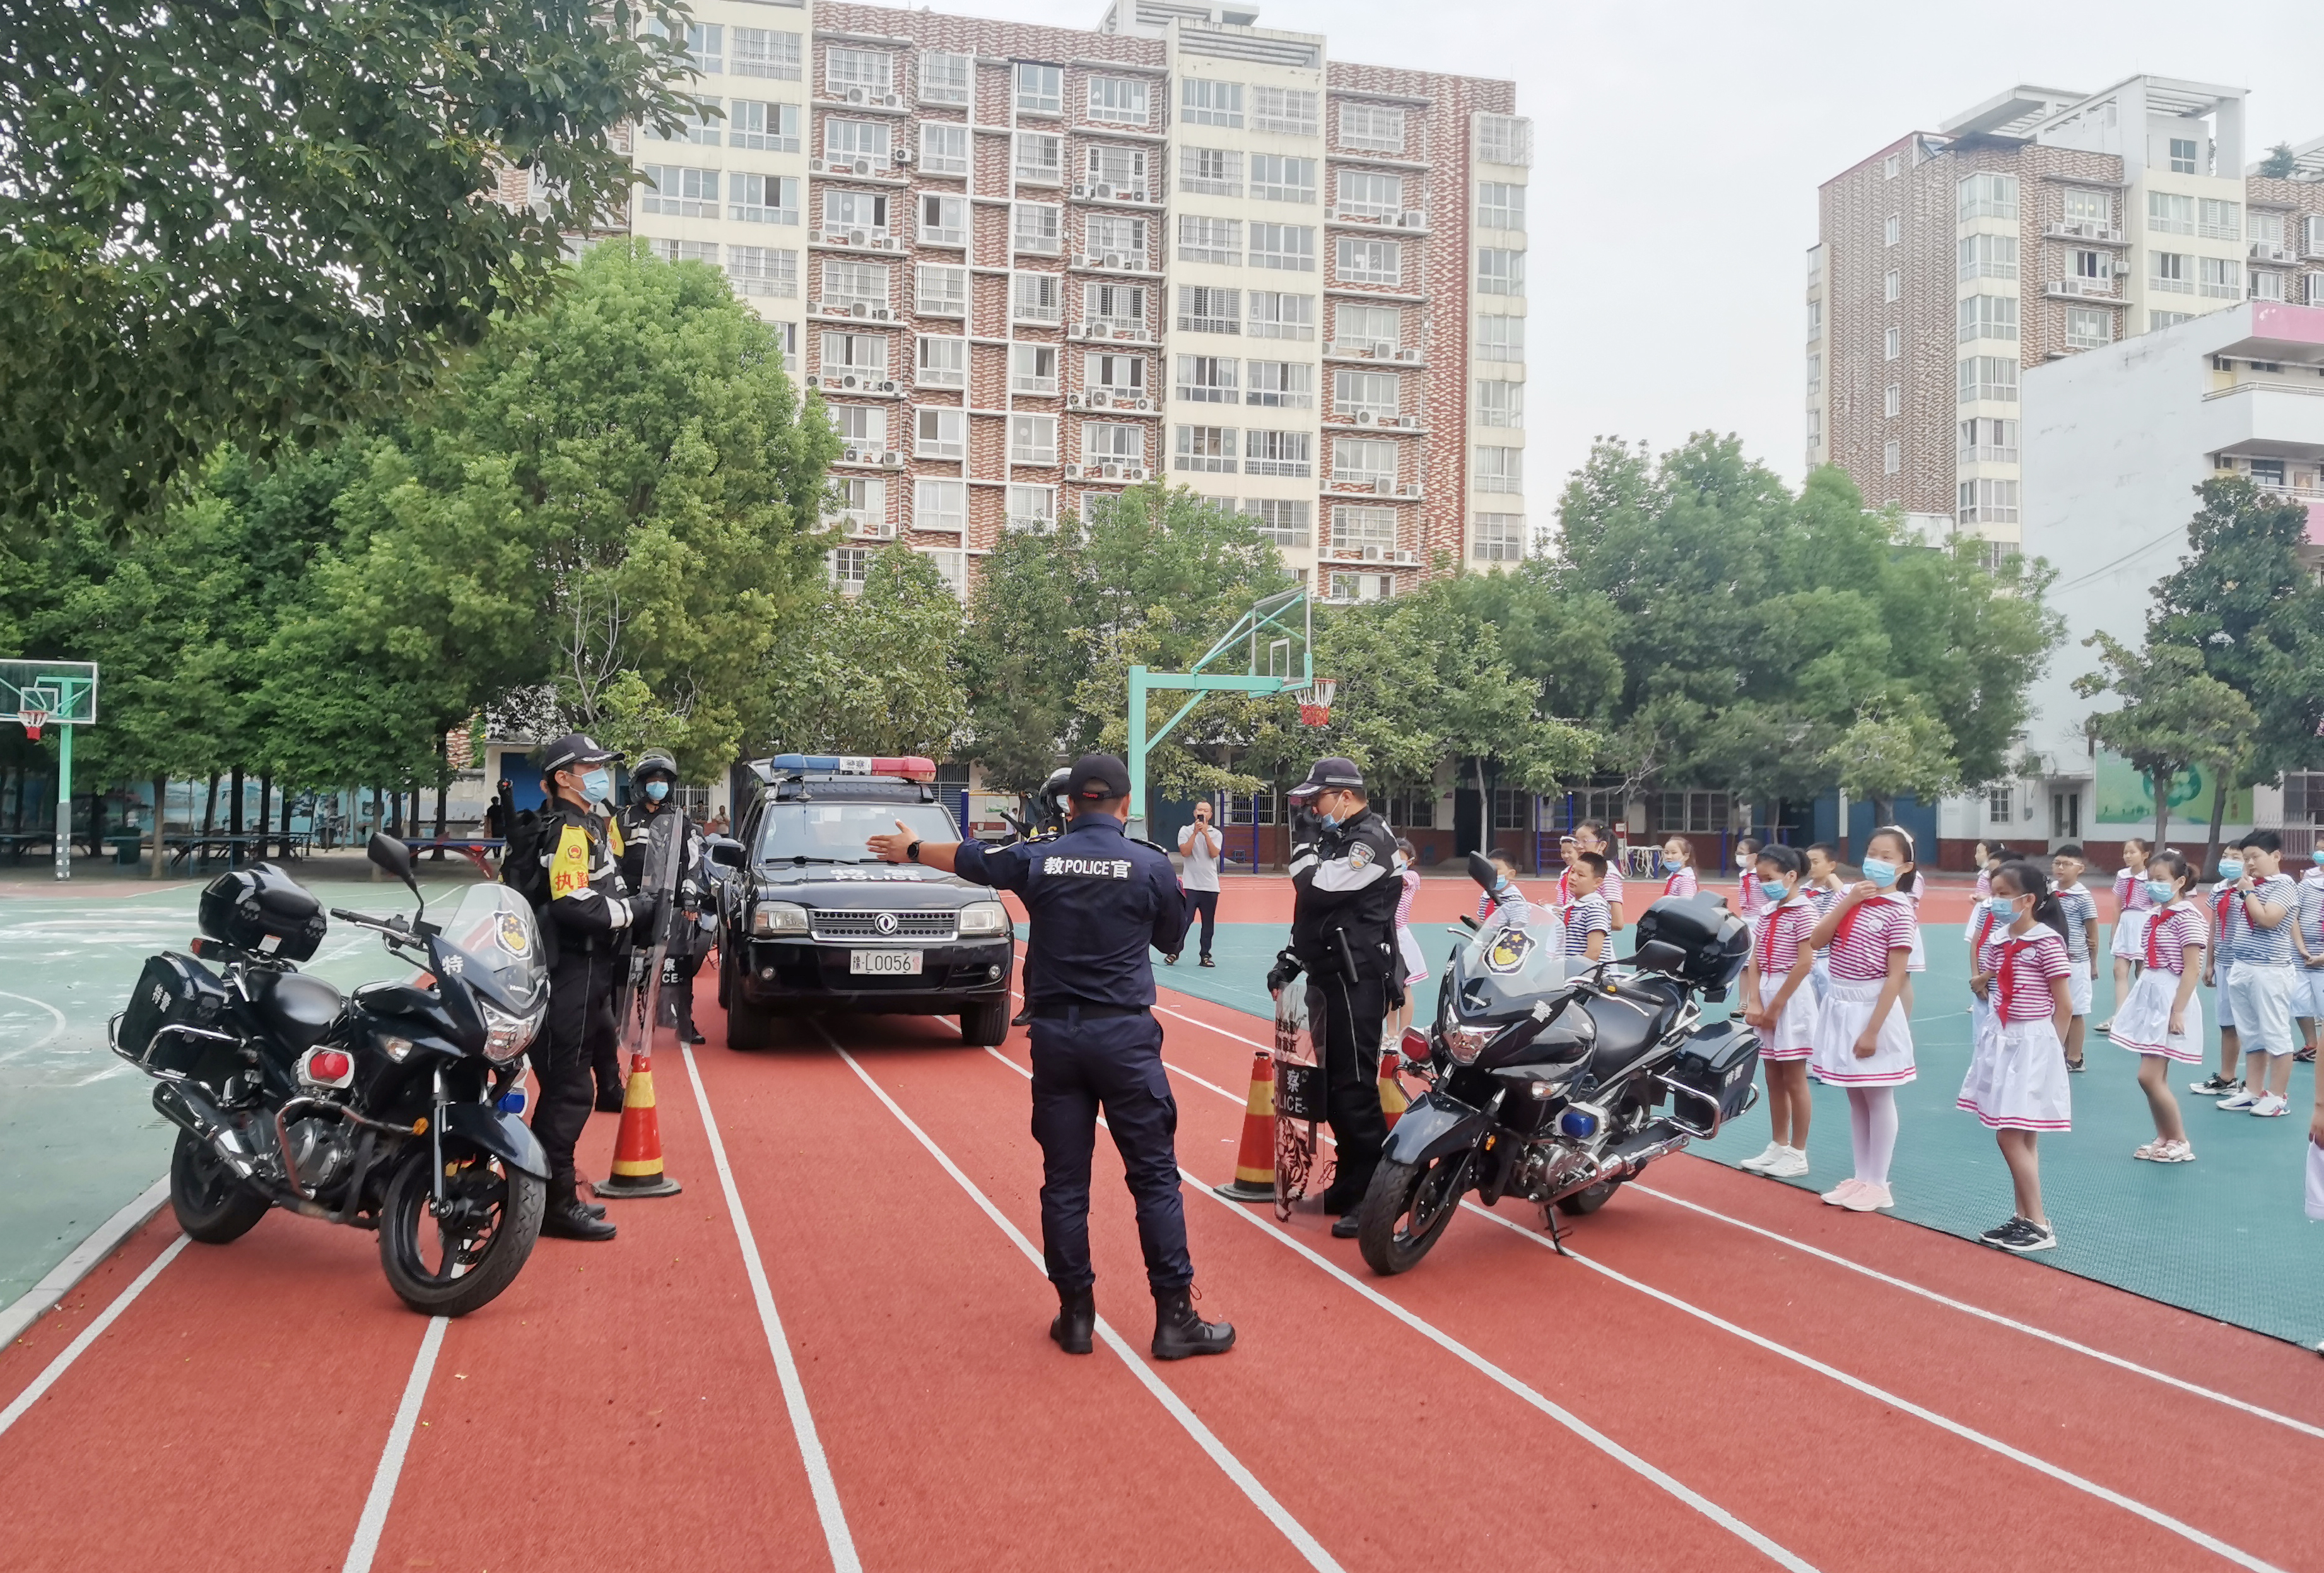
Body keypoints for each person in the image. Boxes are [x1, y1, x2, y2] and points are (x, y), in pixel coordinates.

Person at [864, 754, 1232, 1361]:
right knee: (1155, 1179)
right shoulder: (1148, 863)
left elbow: (972, 861)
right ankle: (1174, 1318)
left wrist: (910, 850)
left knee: (1065, 1183)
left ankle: (1076, 1315)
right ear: (1123, 803)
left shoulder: (1038, 857)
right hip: (1126, 1041)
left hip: (1058, 1040)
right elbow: (1171, 938)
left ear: (1069, 805)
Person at [1267, 757, 1403, 1240]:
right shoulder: (1340, 837)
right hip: (1330, 973)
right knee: (1335, 1084)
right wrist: (1292, 957)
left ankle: (1372, 1191)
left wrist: (1302, 842)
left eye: (1317, 799)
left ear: (1345, 795)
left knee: (1354, 1086)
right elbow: (1313, 912)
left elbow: (1319, 886)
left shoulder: (1370, 840)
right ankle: (1349, 1182)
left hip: (1357, 977)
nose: (1312, 808)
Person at [524, 733, 633, 1243]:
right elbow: (573, 904)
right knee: (568, 1089)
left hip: (588, 973)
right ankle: (550, 1203)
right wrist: (635, 912)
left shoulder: (591, 823)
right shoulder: (568, 829)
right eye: (588, 765)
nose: (599, 771)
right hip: (571, 969)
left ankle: (552, 1193)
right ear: (563, 778)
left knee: (576, 1081)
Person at [1957, 860, 2075, 1254]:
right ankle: (2024, 1216)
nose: (1995, 902)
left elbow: (2064, 1006)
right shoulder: (1998, 940)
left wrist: (2052, 1053)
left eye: (2003, 895)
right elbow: (1995, 987)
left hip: (2032, 1043)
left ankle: (2040, 1224)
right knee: (2022, 1135)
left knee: (2009, 1133)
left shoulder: (2047, 942)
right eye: (1993, 894)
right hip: (2002, 1038)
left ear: (2028, 900)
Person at [1805, 824, 1920, 1213]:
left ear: (1905, 867)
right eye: (1873, 853)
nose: (1877, 861)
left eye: (1888, 857)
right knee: (1856, 1095)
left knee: (1878, 1093)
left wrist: (1873, 1030)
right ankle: (1862, 1176)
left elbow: (1895, 976)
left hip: (1873, 1008)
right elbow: (1817, 941)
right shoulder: (1846, 895)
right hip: (1840, 1001)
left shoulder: (1901, 911)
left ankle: (1878, 1182)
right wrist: (1847, 901)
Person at [2111, 849, 2204, 1162]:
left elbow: (2192, 968)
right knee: (2155, 1077)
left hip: (2169, 995)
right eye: (2150, 880)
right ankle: (2164, 1136)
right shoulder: (2154, 915)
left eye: (2160, 880)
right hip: (2150, 993)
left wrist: (2177, 1010)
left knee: (2148, 1076)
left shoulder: (2189, 917)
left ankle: (2179, 1139)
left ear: (2179, 881)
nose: (2153, 885)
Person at [617, 750, 711, 1046]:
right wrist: (620, 898)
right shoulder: (622, 820)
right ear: (640, 784)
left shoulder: (681, 821)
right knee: (620, 969)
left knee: (677, 968)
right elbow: (611, 863)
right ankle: (615, 1023)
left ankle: (684, 1023)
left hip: (669, 905)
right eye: (652, 780)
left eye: (664, 781)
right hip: (631, 905)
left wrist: (689, 896)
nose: (659, 786)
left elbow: (693, 862)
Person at [1740, 844, 1817, 1179]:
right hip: (1767, 989)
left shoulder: (1805, 912)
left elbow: (1804, 963)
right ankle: (1778, 1144)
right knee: (1772, 1076)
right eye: (1759, 878)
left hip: (1791, 997)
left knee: (1794, 1079)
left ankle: (1798, 1153)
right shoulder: (1769, 910)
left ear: (1791, 876)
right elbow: (1755, 960)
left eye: (1768, 878)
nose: (1762, 884)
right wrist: (1754, 1000)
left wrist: (1775, 1006)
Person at [2214, 831, 2301, 1116]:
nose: (2249, 863)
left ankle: (2277, 1096)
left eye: (2255, 857)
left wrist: (2248, 891)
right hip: (2242, 966)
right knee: (2251, 1034)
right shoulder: (2248, 885)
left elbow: (2267, 919)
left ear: (2276, 856)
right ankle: (2253, 1091)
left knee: (2276, 1034)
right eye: (2246, 858)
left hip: (2270, 971)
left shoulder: (2284, 885)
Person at [2190, 857, 2245, 1100]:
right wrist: (2209, 963)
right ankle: (2227, 1077)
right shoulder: (2219, 888)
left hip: (2245, 963)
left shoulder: (2252, 888)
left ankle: (2259, 1086)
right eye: (2226, 856)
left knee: (2250, 1024)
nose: (2228, 862)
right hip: (2223, 962)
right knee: (2226, 1022)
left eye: (2237, 858)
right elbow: (2214, 926)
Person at [2097, 837, 2155, 1037]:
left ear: (2145, 855)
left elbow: (2156, 903)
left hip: (2144, 922)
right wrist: (2115, 930)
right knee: (2119, 969)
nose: (2127, 856)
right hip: (2126, 923)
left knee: (2142, 970)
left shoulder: (2152, 877)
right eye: (2125, 852)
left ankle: (2144, 1014)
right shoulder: (2122, 875)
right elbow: (2117, 904)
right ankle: (2120, 1015)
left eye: (2132, 852)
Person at [2050, 845, 2099, 1072]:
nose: (2060, 868)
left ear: (2080, 869)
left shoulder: (2083, 897)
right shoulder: (2049, 891)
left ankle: (2076, 1057)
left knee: (2076, 1010)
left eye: (2066, 864)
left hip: (2076, 960)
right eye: (2057, 863)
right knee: (2056, 1007)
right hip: (2052, 958)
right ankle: (2058, 1051)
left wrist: (2093, 963)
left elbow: (2092, 931)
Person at [1168, 800, 1222, 968]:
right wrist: (1195, 833)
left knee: (1208, 924)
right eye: (1200, 810)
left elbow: (1214, 854)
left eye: (1206, 811)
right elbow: (1185, 852)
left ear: (1211, 815)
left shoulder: (1216, 833)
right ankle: (1174, 951)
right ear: (1194, 813)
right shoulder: (1185, 830)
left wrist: (1205, 834)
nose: (1203, 813)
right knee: (1185, 921)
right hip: (1191, 885)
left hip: (1210, 886)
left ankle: (1205, 955)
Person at [1390, 836, 1428, 1041]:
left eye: (1401, 858)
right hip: (1384, 936)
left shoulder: (1411, 876)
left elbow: (1401, 879)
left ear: (1410, 861)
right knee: (1388, 984)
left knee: (1404, 985)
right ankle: (1391, 1030)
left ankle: (1404, 1030)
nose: (1396, 861)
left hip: (1401, 938)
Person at [1802, 841, 1846, 1002]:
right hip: (1806, 956)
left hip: (1827, 957)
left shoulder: (1836, 891)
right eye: (1809, 863)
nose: (1811, 866)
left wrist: (1832, 877)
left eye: (1816, 862)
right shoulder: (1802, 891)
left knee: (1829, 1000)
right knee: (1809, 1003)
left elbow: (1847, 899)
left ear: (1831, 865)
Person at [1557, 851, 1613, 963]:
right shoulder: (1571, 907)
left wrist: (1575, 973)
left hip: (1587, 977)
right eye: (1572, 872)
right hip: (1565, 973)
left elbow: (1594, 952)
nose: (1573, 878)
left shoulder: (1595, 908)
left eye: (1581, 875)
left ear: (1597, 882)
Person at [1574, 818, 1626, 931]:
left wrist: (1580, 924)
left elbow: (1617, 922)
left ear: (1602, 845)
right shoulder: (1581, 867)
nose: (1579, 846)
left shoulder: (1607, 874)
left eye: (1585, 841)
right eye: (1577, 841)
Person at [1732, 835, 1768, 922]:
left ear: (1754, 856)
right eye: (1737, 853)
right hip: (1746, 916)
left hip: (1761, 917)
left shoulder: (1762, 874)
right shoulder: (1743, 875)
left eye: (1742, 854)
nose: (1738, 856)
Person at [1658, 835, 1698, 900]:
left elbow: (1686, 903)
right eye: (1666, 853)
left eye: (1674, 853)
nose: (1669, 857)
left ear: (1686, 856)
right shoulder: (1675, 877)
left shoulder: (1685, 880)